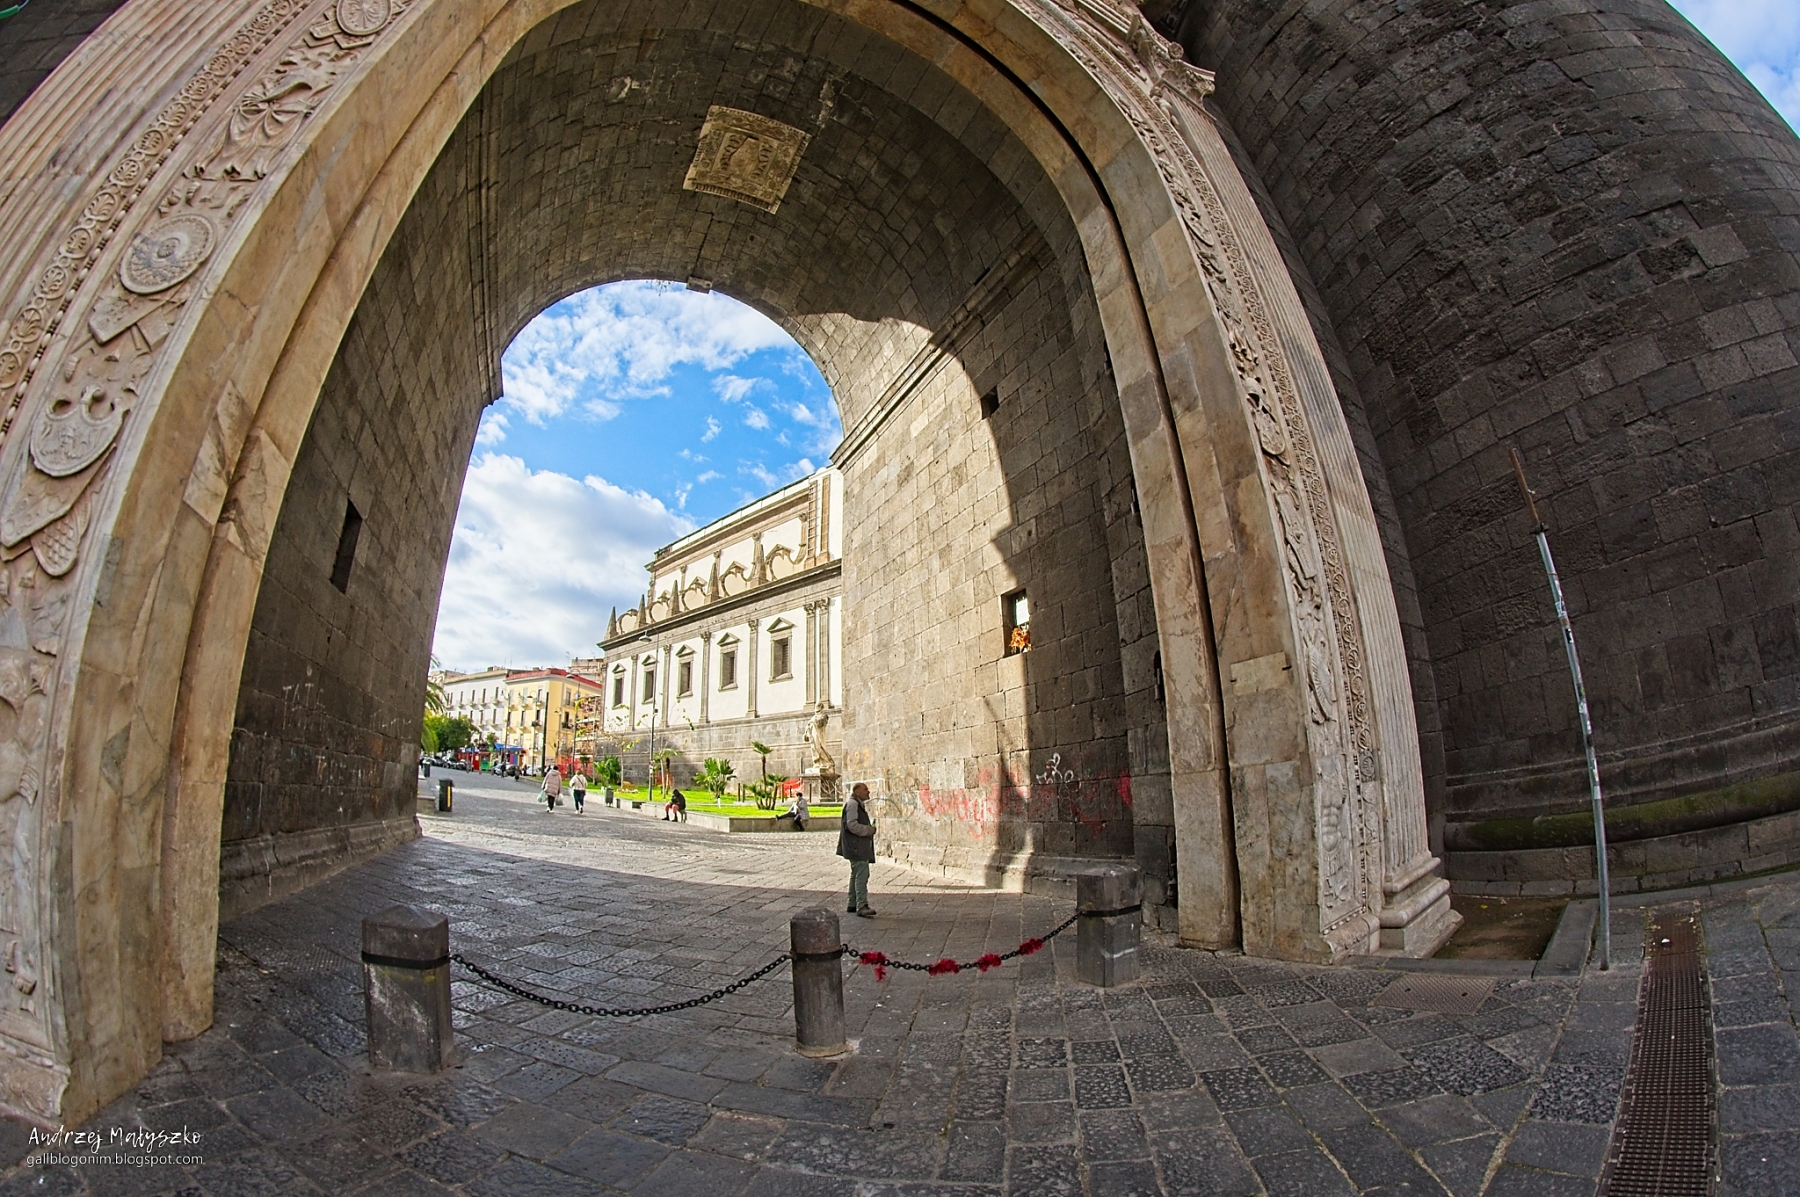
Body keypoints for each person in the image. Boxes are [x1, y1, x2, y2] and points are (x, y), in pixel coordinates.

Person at [837, 782, 876, 917]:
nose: (868, 791)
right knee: (861, 874)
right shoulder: (853, 804)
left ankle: (853, 902)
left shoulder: (856, 804)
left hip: (855, 845)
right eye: (865, 789)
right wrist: (868, 830)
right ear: (857, 792)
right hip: (856, 846)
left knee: (856, 873)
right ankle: (862, 905)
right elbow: (852, 824)